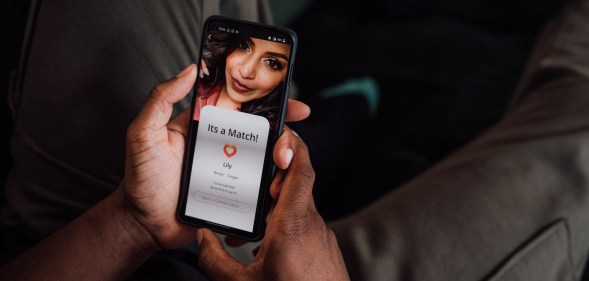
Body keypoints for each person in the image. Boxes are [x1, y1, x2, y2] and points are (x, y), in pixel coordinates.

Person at [194, 30, 292, 130]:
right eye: (244, 46)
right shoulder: (198, 82)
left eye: (272, 63)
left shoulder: (268, 128)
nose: (246, 72)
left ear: (286, 76)